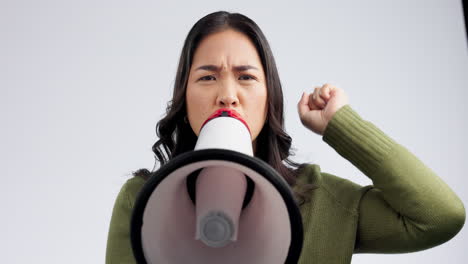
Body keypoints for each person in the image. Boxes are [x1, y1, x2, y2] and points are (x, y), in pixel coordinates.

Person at [105, 11, 465, 264]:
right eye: (207, 77)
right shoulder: (142, 202)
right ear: (184, 99)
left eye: (246, 77)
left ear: (270, 97)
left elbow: (439, 217)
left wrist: (341, 125)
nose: (228, 95)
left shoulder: (322, 202)